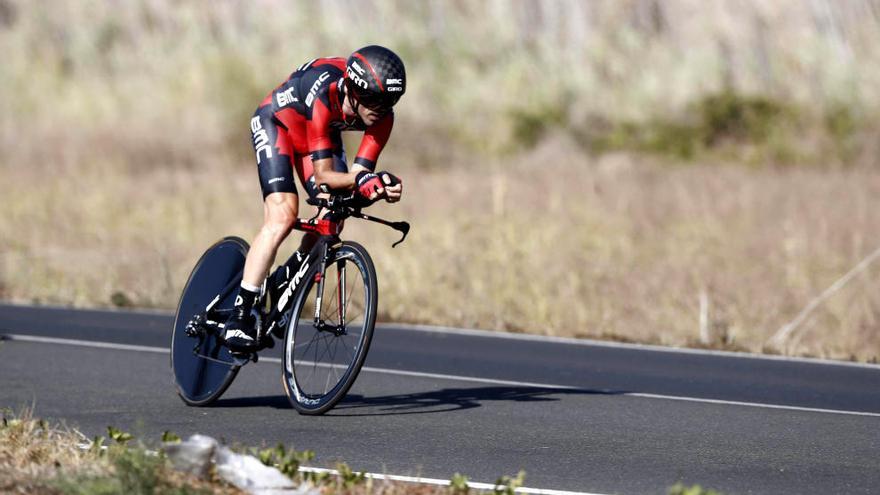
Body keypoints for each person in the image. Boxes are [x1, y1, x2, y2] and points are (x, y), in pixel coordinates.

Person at [223, 45, 407, 352]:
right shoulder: (325, 93)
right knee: (283, 216)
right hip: (277, 125)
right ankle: (240, 313)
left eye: (391, 101)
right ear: (353, 89)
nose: (381, 108)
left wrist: (376, 188)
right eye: (374, 99)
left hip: (316, 138)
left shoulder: (383, 118)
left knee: (335, 214)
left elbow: (358, 177)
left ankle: (289, 273)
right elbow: (323, 176)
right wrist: (363, 181)